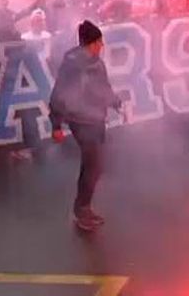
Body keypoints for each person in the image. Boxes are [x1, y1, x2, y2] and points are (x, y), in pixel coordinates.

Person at [49, 20, 122, 231]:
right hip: (80, 119)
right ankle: (81, 210)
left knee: (95, 166)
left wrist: (116, 103)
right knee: (93, 164)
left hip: (96, 118)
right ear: (90, 43)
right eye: (99, 42)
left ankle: (84, 208)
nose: (102, 46)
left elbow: (104, 88)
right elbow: (59, 93)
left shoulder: (97, 63)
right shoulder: (72, 65)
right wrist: (56, 125)